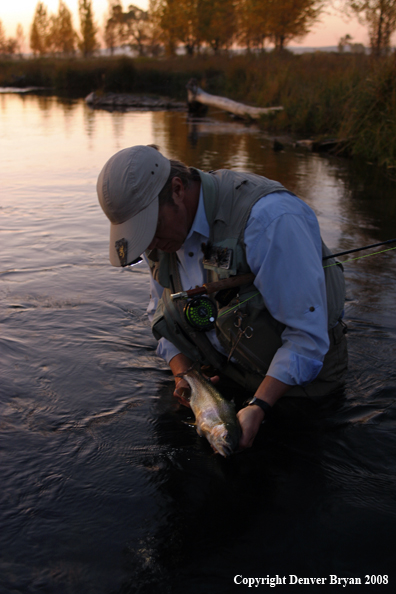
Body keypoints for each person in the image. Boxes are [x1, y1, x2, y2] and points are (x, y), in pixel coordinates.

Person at [97, 144, 347, 450]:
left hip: (301, 394)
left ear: (177, 189)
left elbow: (307, 339)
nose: (149, 244)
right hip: (220, 382)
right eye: (139, 234)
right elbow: (158, 313)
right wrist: (184, 378)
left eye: (150, 227)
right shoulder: (161, 238)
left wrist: (259, 406)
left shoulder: (269, 220)